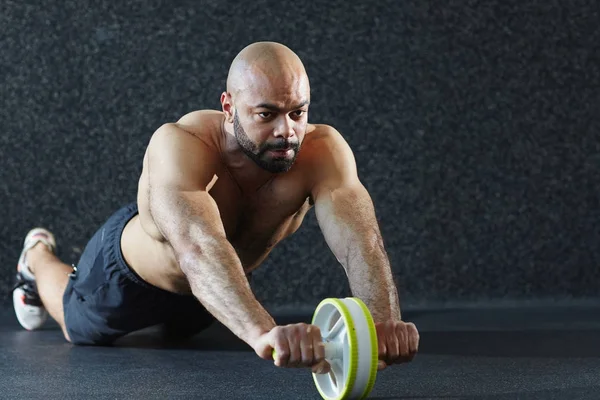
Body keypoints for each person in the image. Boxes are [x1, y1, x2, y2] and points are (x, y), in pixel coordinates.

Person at [12, 41, 419, 374]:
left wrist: (382, 324)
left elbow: (360, 239)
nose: (287, 131)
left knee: (179, 339)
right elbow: (197, 246)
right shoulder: (182, 143)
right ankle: (35, 257)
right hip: (131, 277)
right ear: (228, 107)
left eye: (298, 112)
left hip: (214, 285)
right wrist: (262, 333)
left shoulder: (322, 151)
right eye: (267, 115)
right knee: (76, 326)